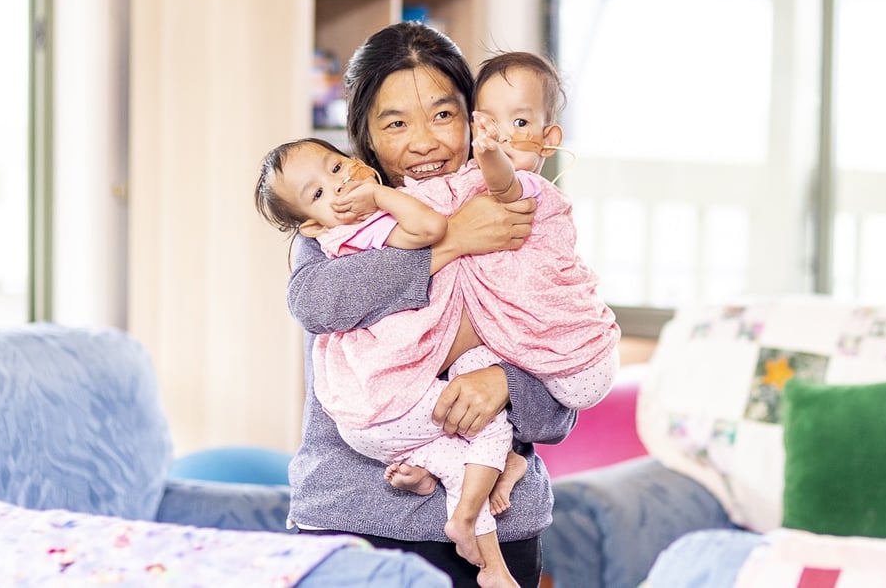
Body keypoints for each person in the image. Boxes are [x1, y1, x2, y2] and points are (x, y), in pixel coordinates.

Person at [255, 53, 619, 581]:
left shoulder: (516, 207)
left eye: (444, 115)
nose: (423, 142)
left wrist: (509, 383)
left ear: (476, 121)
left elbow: (563, 396)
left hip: (505, 522)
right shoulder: (341, 226)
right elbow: (316, 303)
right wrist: (456, 239)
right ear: (366, 139)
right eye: (396, 122)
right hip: (354, 518)